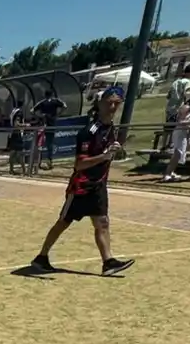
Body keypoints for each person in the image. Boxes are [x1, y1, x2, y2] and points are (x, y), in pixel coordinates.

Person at [32, 88, 133, 275]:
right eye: (109, 102)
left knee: (102, 222)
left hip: (98, 184)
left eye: (116, 103)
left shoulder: (111, 128)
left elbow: (105, 154)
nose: (112, 107)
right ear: (100, 103)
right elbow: (79, 164)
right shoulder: (89, 131)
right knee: (64, 222)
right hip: (81, 186)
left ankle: (108, 262)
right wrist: (103, 156)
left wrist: (113, 151)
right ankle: (41, 257)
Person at [163, 93, 190, 182]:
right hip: (180, 131)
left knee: (181, 154)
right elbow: (181, 121)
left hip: (184, 132)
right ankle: (167, 174)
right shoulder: (186, 107)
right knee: (178, 153)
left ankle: (171, 171)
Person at [33, 90, 66, 168]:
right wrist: (58, 114)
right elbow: (65, 106)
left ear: (45, 95)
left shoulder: (42, 102)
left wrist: (40, 116)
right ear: (52, 94)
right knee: (49, 143)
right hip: (51, 124)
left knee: (39, 144)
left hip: (42, 124)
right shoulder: (55, 101)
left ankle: (38, 162)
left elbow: (32, 110)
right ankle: (49, 162)